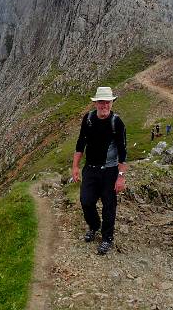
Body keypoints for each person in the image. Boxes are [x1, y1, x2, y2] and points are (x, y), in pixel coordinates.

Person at [72, 86, 127, 255]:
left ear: (111, 103)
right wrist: (75, 166)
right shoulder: (88, 119)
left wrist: (121, 177)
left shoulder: (116, 122)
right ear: (95, 103)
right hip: (90, 168)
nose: (104, 105)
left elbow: (123, 151)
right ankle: (94, 226)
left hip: (110, 170)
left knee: (109, 206)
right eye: (101, 102)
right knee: (86, 201)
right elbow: (81, 143)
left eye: (107, 102)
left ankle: (107, 238)